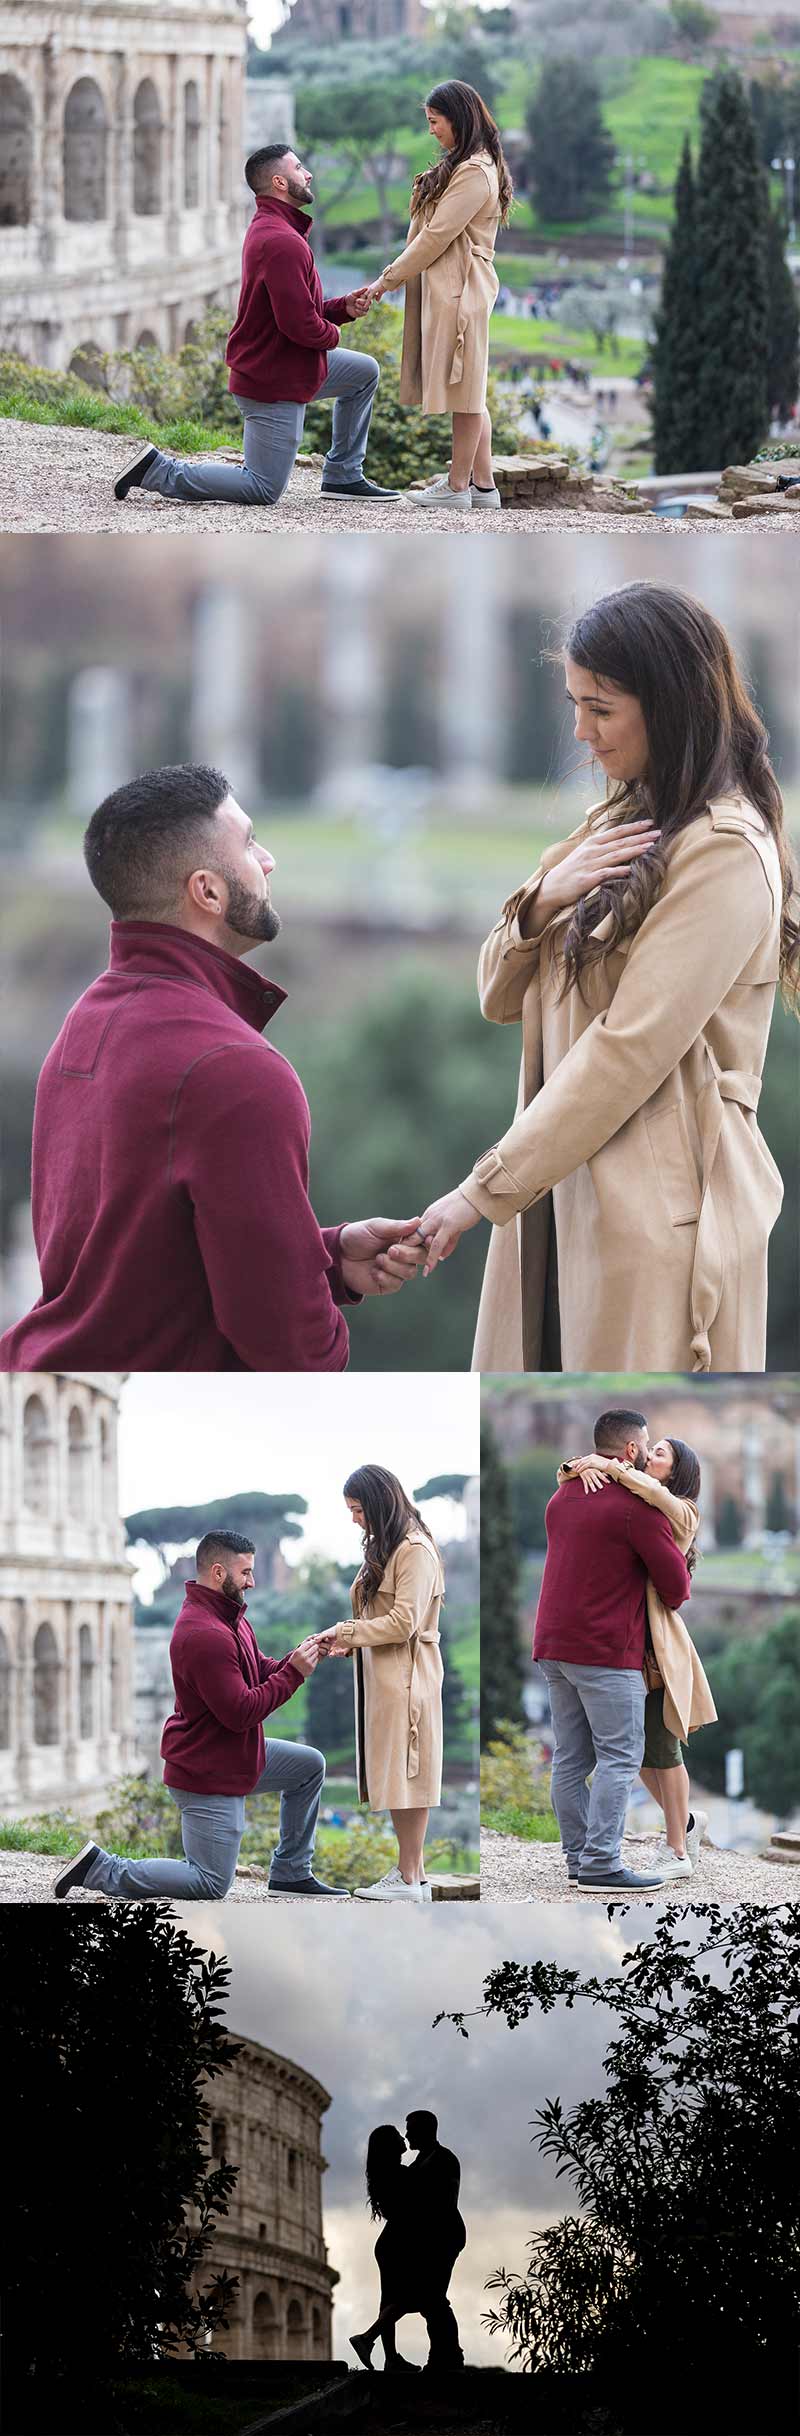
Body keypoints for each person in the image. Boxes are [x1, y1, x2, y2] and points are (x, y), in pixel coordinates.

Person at [413, 582, 798, 1372]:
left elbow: (631, 1045)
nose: (581, 733)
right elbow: (496, 992)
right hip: (560, 1188)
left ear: (672, 703)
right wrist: (541, 899)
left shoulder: (724, 849)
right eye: (573, 703)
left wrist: (481, 1190)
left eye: (601, 708)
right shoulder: (621, 820)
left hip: (659, 1220)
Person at [0, 765, 424, 1374]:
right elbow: (290, 1351)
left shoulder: (83, 1026)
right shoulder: (236, 1071)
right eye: (250, 843)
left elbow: (132, 1263)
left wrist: (324, 1259)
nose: (269, 859)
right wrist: (319, 1331)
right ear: (208, 891)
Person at [53, 1530, 348, 1901]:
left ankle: (290, 1872)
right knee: (208, 1883)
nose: (253, 1582)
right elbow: (240, 1712)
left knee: (309, 1767)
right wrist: (295, 1675)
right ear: (219, 1573)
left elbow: (258, 1670)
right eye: (246, 1573)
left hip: (234, 1755)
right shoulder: (203, 1634)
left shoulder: (231, 1618)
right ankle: (101, 1867)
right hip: (207, 1770)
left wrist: (305, 1654)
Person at [114, 145, 399, 510]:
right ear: (280, 182)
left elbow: (297, 311)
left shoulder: (276, 230)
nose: (308, 173)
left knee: (363, 372)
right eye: (299, 168)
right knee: (261, 488)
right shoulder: (282, 242)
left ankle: (343, 475)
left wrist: (341, 309)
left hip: (288, 364)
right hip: (272, 380)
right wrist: (335, 333)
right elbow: (300, 326)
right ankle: (159, 470)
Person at [533, 1408, 693, 1894]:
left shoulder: (561, 1495)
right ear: (630, 1451)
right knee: (620, 1758)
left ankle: (578, 1860)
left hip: (552, 1646)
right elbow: (676, 1586)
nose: (647, 1453)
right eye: (645, 1445)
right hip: (604, 1650)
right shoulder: (636, 1507)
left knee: (570, 1760)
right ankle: (603, 1865)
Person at [559, 1436, 716, 1873]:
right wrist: (579, 1466)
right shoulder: (635, 1494)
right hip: (623, 1642)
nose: (649, 1456)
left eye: (660, 1453)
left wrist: (606, 1466)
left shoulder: (682, 1509)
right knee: (640, 1749)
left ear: (677, 1471)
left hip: (656, 1646)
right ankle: (684, 1821)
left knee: (664, 1747)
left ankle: (677, 1850)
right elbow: (567, 1473)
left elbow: (651, 1493)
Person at [366, 82, 513, 509]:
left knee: (465, 389)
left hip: (460, 287)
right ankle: (484, 487)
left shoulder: (474, 172)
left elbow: (436, 236)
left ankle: (457, 485)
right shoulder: (471, 164)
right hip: (454, 284)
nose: (431, 131)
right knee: (471, 388)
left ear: (457, 118)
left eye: (434, 122)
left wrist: (385, 280)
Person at [314, 1467, 445, 1902]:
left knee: (411, 1773)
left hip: (408, 1677)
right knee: (396, 1776)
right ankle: (416, 1877)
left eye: (357, 1510)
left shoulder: (415, 1551)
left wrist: (347, 1632)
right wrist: (349, 1641)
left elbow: (405, 1621)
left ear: (378, 1503)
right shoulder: (388, 1548)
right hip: (383, 1677)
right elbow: (378, 1617)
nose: (353, 1519)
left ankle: (407, 1877)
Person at [351, 2111, 466, 2370]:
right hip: (405, 2243)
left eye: (410, 2130)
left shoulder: (438, 2160)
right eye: (402, 2133)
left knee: (426, 2298)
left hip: (433, 2239)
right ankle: (443, 2358)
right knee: (428, 2298)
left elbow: (443, 2203)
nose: (406, 2136)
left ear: (426, 2130)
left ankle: (432, 2356)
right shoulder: (407, 2170)